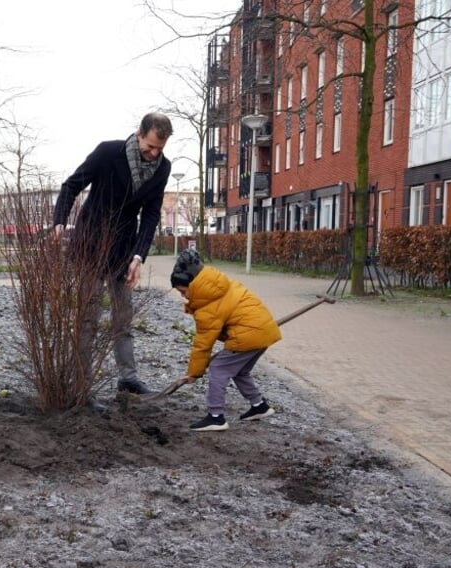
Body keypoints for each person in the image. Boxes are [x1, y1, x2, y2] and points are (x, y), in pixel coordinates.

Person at [52, 111, 173, 397]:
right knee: (88, 319)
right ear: (139, 134)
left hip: (123, 251)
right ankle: (82, 384)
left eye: (159, 149)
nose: (153, 154)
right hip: (90, 247)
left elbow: (152, 214)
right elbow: (71, 186)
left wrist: (138, 256)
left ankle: (128, 378)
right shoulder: (108, 152)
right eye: (150, 147)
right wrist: (59, 221)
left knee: (123, 318)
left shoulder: (163, 168)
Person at [170, 249, 282, 432]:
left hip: (249, 334)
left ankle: (216, 417)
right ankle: (259, 406)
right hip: (264, 331)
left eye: (183, 291)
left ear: (193, 285)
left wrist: (194, 373)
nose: (183, 296)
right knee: (240, 371)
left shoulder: (208, 305)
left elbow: (203, 344)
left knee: (218, 368)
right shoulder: (219, 286)